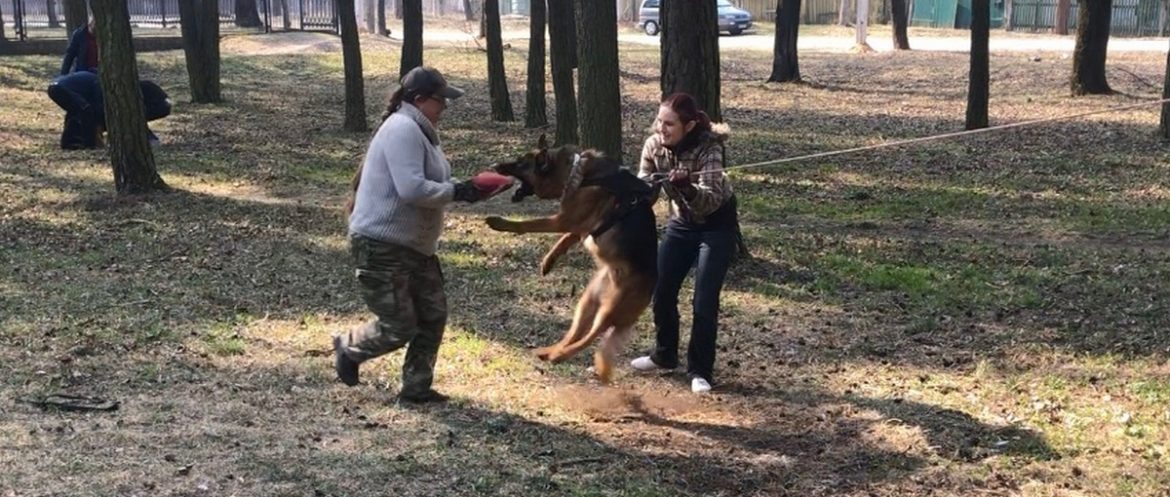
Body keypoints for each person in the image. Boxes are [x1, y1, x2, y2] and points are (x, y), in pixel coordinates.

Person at [333, 66, 499, 403]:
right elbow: (411, 189)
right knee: (400, 325)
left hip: (415, 247)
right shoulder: (403, 129)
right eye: (440, 100)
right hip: (381, 245)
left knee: (433, 315)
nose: (445, 108)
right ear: (420, 100)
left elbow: (429, 185)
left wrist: (470, 189)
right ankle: (349, 348)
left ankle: (416, 388)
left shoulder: (420, 131)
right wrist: (460, 191)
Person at [632, 92, 738, 394]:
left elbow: (709, 202)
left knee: (704, 301)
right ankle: (664, 354)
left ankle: (700, 370)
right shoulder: (653, 146)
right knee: (662, 289)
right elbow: (645, 192)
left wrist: (686, 187)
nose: (660, 129)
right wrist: (641, 188)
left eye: (669, 124)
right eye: (659, 121)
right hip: (681, 224)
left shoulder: (709, 148)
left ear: (689, 126)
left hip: (716, 226)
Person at [46, 71, 171, 149]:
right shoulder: (99, 86)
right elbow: (92, 111)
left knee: (79, 111)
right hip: (59, 89)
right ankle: (90, 145)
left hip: (56, 86)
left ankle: (70, 142)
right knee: (85, 111)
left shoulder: (94, 83)